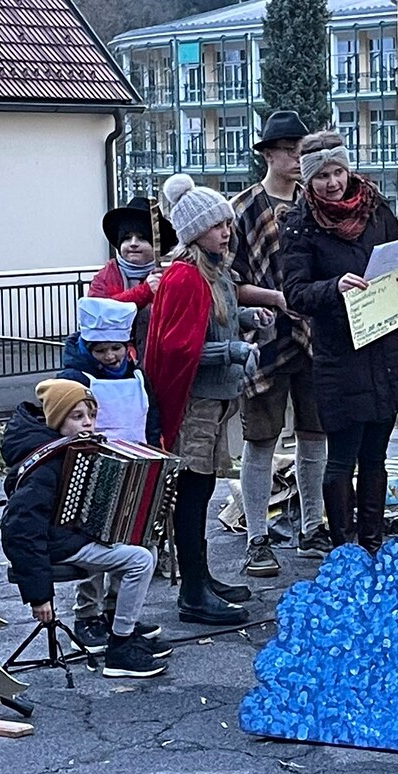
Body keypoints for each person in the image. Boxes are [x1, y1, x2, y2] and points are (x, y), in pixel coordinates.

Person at [280, 131, 398, 555]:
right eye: (322, 176)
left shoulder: (375, 208)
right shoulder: (300, 224)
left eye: (338, 172)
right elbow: (295, 293)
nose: (333, 183)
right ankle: (345, 551)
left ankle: (373, 544)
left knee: (376, 456)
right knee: (342, 457)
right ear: (309, 180)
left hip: (384, 350)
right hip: (340, 357)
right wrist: (334, 287)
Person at [145, 173, 273, 626]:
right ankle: (193, 592)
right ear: (195, 231)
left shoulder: (216, 273)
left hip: (216, 400)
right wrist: (233, 350)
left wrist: (249, 317)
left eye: (227, 224)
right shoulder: (184, 276)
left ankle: (201, 577)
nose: (226, 231)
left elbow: (216, 321)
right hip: (194, 404)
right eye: (217, 225)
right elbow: (180, 350)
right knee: (193, 493)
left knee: (201, 491)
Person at [0, 379, 171, 678]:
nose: (88, 423)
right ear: (56, 420)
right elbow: (21, 531)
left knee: (146, 545)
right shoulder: (46, 466)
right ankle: (120, 650)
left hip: (73, 535)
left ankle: (121, 626)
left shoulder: (78, 450)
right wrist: (39, 595)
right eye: (77, 416)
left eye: (91, 415)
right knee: (139, 560)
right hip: (57, 544)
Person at [230, 110, 330, 575]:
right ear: (268, 154)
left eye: (301, 151)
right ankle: (257, 537)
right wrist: (275, 297)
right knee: (261, 437)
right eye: (289, 150)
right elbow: (229, 284)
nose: (296, 158)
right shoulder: (243, 209)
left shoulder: (315, 206)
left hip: (314, 334)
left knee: (315, 432)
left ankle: (312, 527)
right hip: (266, 337)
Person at [54, 296, 162, 653]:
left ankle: (119, 610)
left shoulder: (138, 375)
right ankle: (88, 613)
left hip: (135, 471)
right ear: (88, 348)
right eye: (101, 351)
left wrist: (155, 448)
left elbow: (151, 416)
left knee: (133, 539)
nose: (111, 357)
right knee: (96, 544)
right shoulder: (76, 379)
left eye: (116, 348)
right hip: (93, 472)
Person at [89, 196, 177, 363]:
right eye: (127, 238)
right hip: (114, 363)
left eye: (142, 238)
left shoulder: (170, 277)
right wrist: (144, 291)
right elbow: (100, 314)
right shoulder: (104, 277)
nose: (133, 243)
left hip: (158, 361)